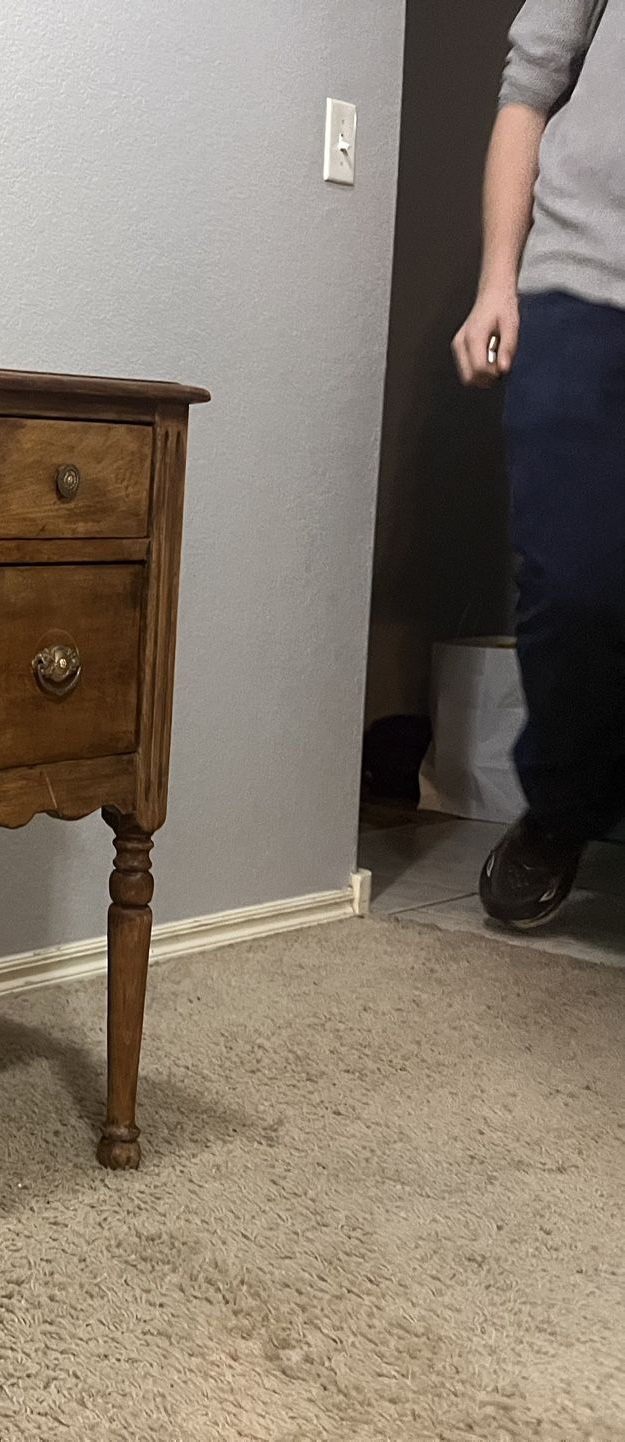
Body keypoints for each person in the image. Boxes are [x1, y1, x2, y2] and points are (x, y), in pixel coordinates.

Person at [453, 0, 623, 928]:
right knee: (572, 582)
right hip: (580, 282)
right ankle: (560, 809)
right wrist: (496, 281)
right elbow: (531, 86)